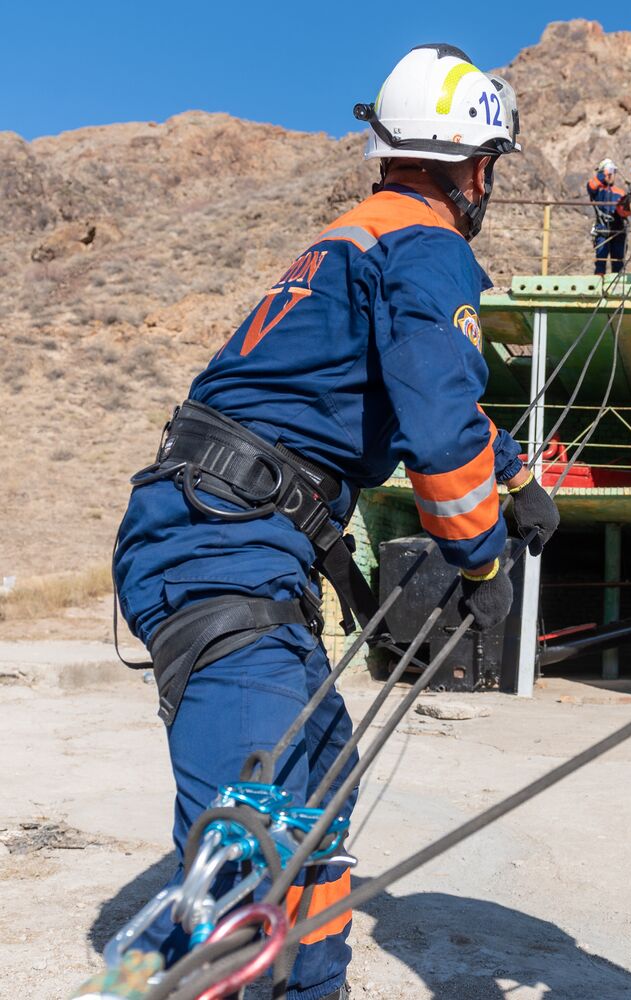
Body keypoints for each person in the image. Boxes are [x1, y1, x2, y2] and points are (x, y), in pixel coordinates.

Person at [110, 44, 559, 1000]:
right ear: (475, 167)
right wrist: (481, 564)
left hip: (225, 528)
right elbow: (436, 422)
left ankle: (313, 986)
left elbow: (411, 392)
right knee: (255, 807)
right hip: (223, 543)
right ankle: (208, 972)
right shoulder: (427, 245)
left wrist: (513, 478)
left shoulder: (353, 238)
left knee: (320, 785)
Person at [587, 157, 629, 275]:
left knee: (618, 263)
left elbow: (625, 211)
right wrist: (604, 173)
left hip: (618, 231)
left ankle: (618, 290)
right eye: (608, 173)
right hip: (602, 231)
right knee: (600, 262)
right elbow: (590, 186)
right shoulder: (597, 190)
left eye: (612, 173)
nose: (610, 176)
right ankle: (599, 289)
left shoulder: (620, 192)